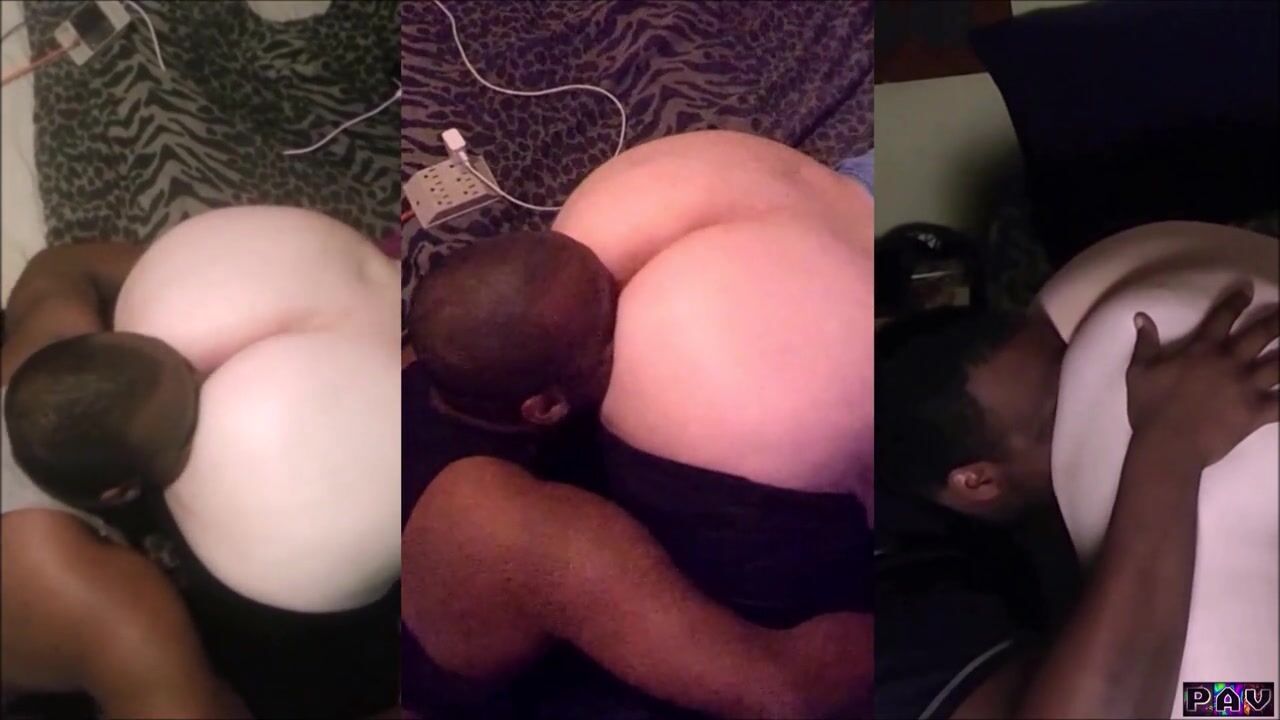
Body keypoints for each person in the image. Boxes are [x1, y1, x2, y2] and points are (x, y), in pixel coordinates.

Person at [403, 130, 874, 718]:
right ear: (545, 406)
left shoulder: (434, 359)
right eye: (613, 327)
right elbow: (789, 690)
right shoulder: (530, 531)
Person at [3, 206, 402, 718]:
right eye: (193, 410)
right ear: (120, 491)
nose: (208, 375)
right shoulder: (98, 600)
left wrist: (198, 288)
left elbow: (57, 265)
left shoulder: (50, 337)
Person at [874, 221, 1279, 719]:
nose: (1096, 389)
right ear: (978, 481)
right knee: (1224, 706)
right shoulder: (901, 611)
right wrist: (1172, 442)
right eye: (1059, 414)